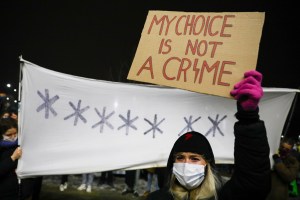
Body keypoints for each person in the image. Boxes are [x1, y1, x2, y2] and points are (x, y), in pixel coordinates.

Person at [146, 70, 271, 200]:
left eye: (194, 158)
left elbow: (253, 183)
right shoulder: (157, 198)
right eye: (180, 157)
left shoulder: (221, 196)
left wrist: (248, 118)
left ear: (207, 164)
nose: (186, 164)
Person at [0, 117, 22, 200]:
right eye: (9, 134)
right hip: (3, 192)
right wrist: (13, 158)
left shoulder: (20, 144)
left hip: (19, 190)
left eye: (15, 133)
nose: (13, 137)